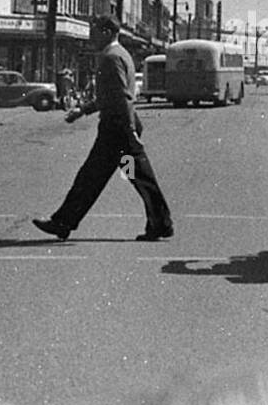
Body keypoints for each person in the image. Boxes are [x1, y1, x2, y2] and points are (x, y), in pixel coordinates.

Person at [34, 16, 174, 242]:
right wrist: (83, 111)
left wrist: (130, 132)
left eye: (96, 31)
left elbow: (122, 97)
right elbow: (109, 97)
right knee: (114, 177)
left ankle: (63, 222)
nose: (92, 36)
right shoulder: (120, 54)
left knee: (97, 177)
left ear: (108, 32)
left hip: (117, 131)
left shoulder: (111, 57)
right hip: (119, 129)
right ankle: (160, 223)